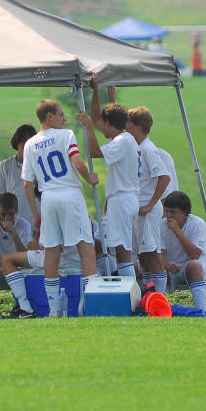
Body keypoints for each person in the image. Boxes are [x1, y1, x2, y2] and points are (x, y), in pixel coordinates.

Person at [22, 99, 99, 316]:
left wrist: (35, 214)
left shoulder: (30, 144)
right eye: (61, 114)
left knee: (51, 252)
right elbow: (78, 162)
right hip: (70, 194)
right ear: (49, 116)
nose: (64, 119)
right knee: (86, 249)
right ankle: (88, 306)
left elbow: (27, 183)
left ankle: (53, 309)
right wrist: (89, 178)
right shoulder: (66, 135)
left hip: (48, 198)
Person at [78, 73, 139, 278]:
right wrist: (97, 91)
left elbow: (95, 153)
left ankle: (130, 290)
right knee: (108, 245)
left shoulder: (122, 142)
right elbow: (98, 118)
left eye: (103, 124)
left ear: (110, 123)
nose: (99, 125)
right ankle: (116, 282)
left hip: (122, 199)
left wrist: (88, 127)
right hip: (121, 199)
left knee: (121, 251)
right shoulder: (123, 138)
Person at [126, 106, 170, 293]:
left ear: (137, 126)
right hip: (139, 208)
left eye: (128, 124)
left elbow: (164, 177)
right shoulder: (137, 147)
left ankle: (161, 297)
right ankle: (149, 295)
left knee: (152, 253)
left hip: (147, 210)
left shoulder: (148, 149)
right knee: (143, 255)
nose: (126, 128)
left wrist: (151, 204)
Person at [161, 191, 206, 311]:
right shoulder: (162, 225)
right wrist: (168, 266)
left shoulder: (198, 224)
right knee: (155, 267)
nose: (168, 216)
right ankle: (158, 308)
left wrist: (178, 231)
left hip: (194, 266)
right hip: (171, 267)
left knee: (194, 265)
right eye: (166, 211)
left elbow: (195, 255)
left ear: (184, 213)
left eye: (172, 212)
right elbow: (160, 254)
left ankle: (201, 311)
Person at [0, 192, 32, 299]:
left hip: (18, 270)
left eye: (11, 214)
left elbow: (25, 256)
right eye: (3, 214)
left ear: (16, 211)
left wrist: (14, 233)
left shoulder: (24, 225)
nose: (7, 218)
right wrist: (4, 269)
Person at [0, 124, 38, 225]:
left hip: (39, 224)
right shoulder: (4, 167)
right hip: (14, 225)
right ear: (17, 143)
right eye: (24, 141)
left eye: (31, 141)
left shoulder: (41, 165)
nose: (27, 145)